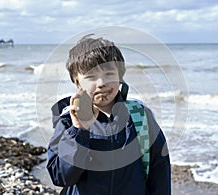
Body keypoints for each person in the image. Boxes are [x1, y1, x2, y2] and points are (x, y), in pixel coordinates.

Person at [47, 35, 171, 195]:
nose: (101, 83)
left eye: (109, 74)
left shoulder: (139, 116)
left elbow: (159, 169)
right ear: (77, 81)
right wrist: (79, 131)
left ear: (120, 76)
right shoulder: (68, 122)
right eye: (91, 77)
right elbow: (61, 177)